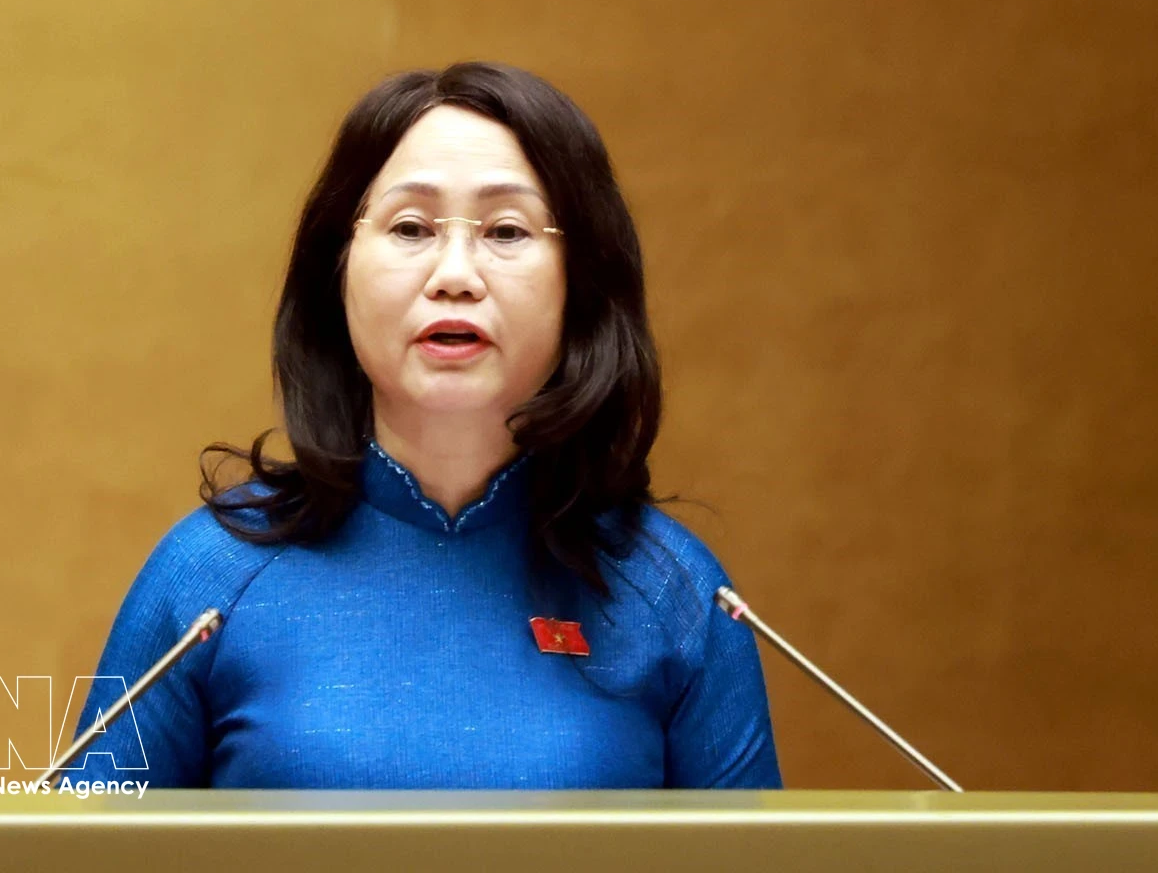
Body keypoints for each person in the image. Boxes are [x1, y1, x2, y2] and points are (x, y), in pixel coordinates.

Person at [65, 61, 782, 789]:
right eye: (411, 227)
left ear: (581, 283)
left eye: (505, 230)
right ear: (335, 270)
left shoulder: (673, 593)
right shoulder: (209, 580)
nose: (455, 273)